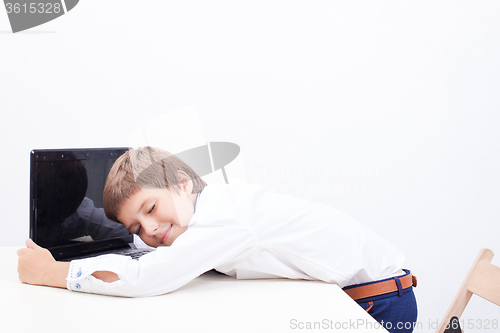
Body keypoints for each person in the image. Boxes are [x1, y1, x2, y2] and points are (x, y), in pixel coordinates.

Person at [18, 146, 417, 333]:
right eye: (136, 227)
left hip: (379, 304)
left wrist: (57, 273)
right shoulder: (209, 210)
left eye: (151, 209)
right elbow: (149, 250)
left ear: (182, 183)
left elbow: (147, 278)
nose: (150, 230)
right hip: (364, 296)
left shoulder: (224, 217)